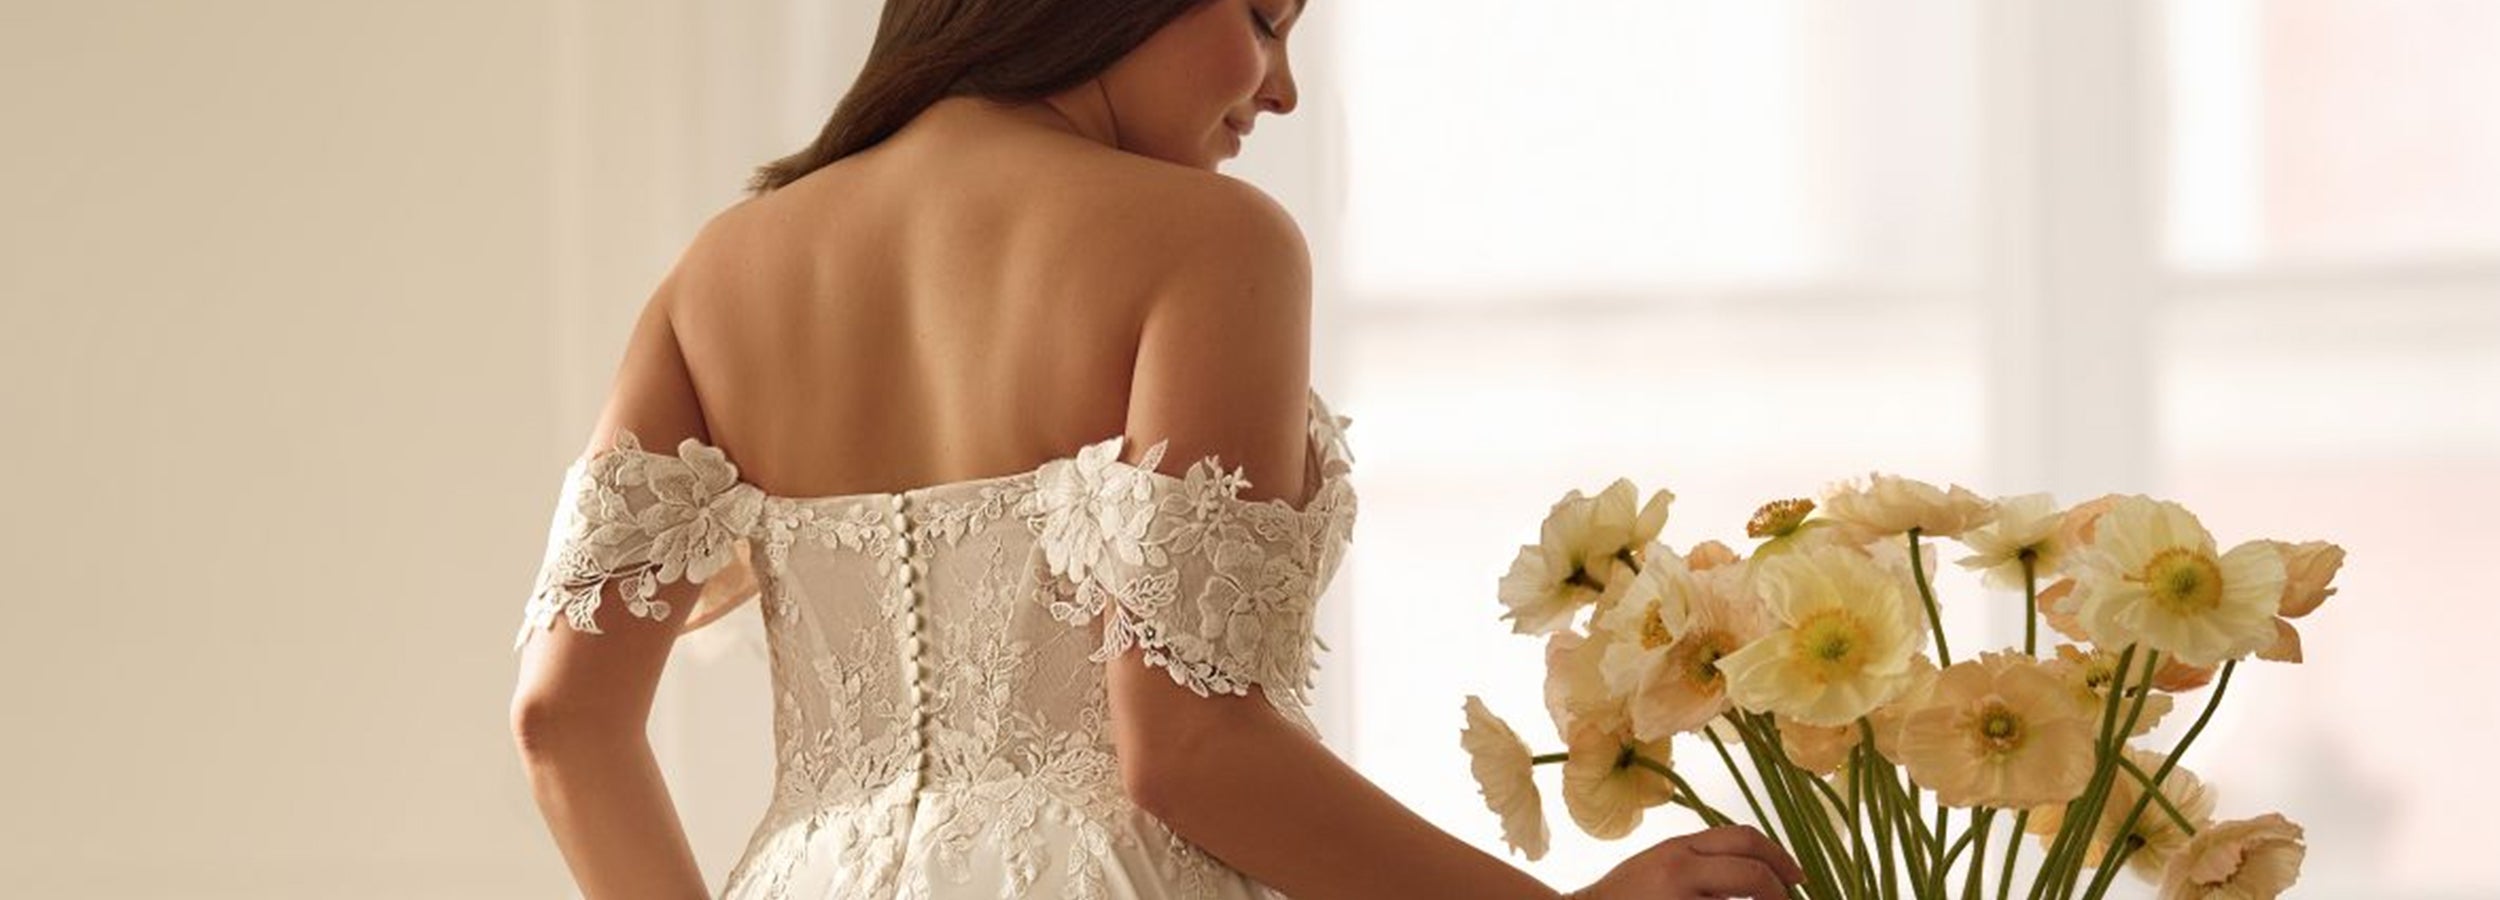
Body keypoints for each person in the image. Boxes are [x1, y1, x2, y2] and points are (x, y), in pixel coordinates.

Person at [507, 1, 1807, 897]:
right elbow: (1187, 749)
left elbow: (564, 720)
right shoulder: (1211, 241)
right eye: (1264, 19)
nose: (1282, 89)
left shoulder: (720, 271)